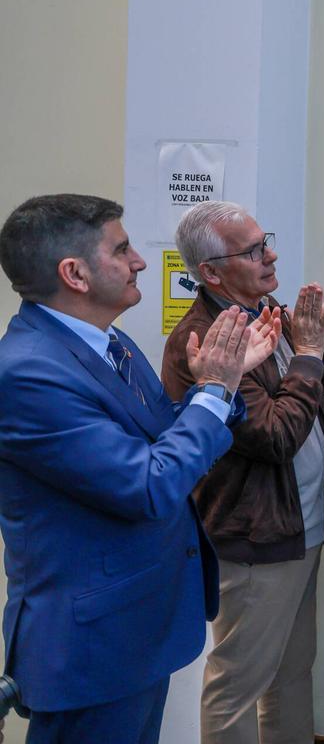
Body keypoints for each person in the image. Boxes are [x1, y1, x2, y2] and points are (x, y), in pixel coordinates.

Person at [0, 194, 278, 743]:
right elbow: (149, 485)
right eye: (122, 249)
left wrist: (210, 390)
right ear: (74, 273)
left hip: (138, 621)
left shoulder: (111, 342)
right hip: (92, 645)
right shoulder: (29, 374)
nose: (141, 261)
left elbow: (163, 440)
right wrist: (217, 390)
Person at [161, 201, 324, 744]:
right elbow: (275, 436)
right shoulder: (204, 341)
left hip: (300, 527)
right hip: (256, 540)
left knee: (292, 676)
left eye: (265, 240)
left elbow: (308, 397)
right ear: (210, 272)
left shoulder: (263, 308)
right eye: (252, 250)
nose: (270, 254)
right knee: (238, 687)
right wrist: (309, 353)